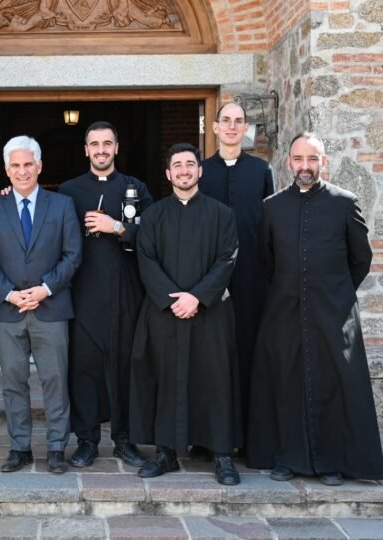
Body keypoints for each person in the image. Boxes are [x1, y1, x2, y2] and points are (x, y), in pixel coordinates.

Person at [247, 133, 383, 486]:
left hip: (333, 312)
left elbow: (361, 259)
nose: (304, 166)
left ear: (324, 161)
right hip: (285, 310)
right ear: (289, 162)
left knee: (331, 385)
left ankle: (331, 463)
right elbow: (267, 260)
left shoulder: (345, 202)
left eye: (312, 159)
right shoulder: (272, 206)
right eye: (298, 159)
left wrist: (335, 292)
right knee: (286, 383)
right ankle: (287, 459)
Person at [130, 143, 242, 486]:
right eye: (177, 165)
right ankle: (166, 453)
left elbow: (227, 258)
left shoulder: (222, 214)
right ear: (168, 174)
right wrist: (173, 298)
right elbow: (145, 260)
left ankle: (221, 454)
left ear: (199, 171)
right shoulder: (152, 216)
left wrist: (197, 297)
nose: (183, 171)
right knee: (165, 379)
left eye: (189, 164)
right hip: (164, 314)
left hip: (210, 314)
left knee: (215, 381)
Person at [0, 135, 82, 474]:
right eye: (15, 166)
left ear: (39, 166)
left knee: (55, 380)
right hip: (9, 311)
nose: (22, 171)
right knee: (12, 382)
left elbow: (73, 254)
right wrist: (10, 294)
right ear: (7, 170)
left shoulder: (62, 205)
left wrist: (45, 289)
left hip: (50, 308)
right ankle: (19, 447)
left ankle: (55, 448)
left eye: (28, 164)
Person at [58, 121, 153, 468]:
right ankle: (86, 440)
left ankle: (124, 439)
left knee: (125, 369)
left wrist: (117, 227)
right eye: (94, 144)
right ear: (86, 150)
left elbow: (154, 236)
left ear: (116, 148)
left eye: (107, 143)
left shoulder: (136, 188)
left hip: (127, 293)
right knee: (84, 370)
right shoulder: (68, 190)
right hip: (83, 295)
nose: (101, 149)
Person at [199, 103, 274, 458]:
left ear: (245, 128)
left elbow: (269, 227)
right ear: (214, 127)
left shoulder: (260, 171)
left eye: (238, 122)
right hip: (206, 279)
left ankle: (245, 437)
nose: (231, 127)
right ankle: (203, 436)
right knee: (208, 358)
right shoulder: (198, 170)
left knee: (246, 354)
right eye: (225, 121)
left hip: (250, 279)